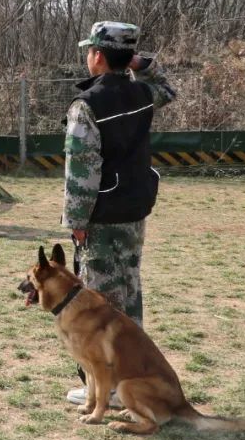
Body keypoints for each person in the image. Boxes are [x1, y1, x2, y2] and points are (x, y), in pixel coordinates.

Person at [64, 21, 176, 405]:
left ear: (97, 56)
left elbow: (81, 171)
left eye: (89, 50)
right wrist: (143, 64)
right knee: (129, 295)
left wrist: (76, 222)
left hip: (101, 216)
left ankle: (106, 387)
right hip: (134, 211)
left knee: (98, 304)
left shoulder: (87, 105)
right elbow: (167, 89)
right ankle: (131, 377)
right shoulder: (141, 93)